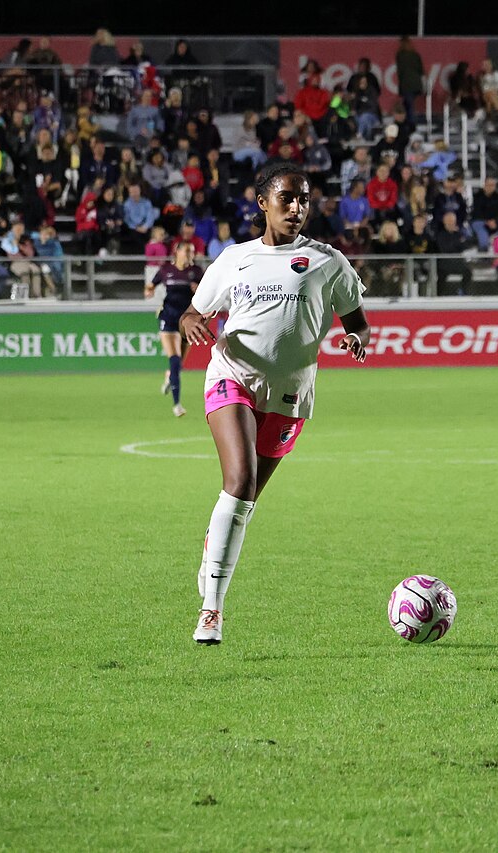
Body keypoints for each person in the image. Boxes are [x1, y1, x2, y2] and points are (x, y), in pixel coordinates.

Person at [178, 162, 370, 645]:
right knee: (238, 480)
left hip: (290, 396)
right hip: (233, 376)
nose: (297, 207)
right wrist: (191, 325)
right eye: (287, 197)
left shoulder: (328, 261)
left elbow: (357, 320)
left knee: (243, 502)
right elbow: (192, 312)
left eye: (304, 199)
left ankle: (212, 552)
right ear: (263, 202)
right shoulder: (235, 258)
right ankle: (211, 611)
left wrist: (355, 340)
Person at [147, 241, 203, 417]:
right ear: (177, 252)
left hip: (186, 321)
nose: (190, 255)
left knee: (179, 365)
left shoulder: (196, 272)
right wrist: (148, 291)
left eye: (192, 252)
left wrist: (198, 290)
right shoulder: (165, 270)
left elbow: (207, 293)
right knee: (175, 359)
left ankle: (169, 376)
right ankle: (177, 404)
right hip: (168, 319)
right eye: (187, 251)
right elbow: (151, 286)